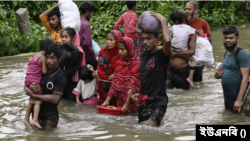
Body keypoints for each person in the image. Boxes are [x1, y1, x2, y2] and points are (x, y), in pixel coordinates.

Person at [132, 12, 171, 127]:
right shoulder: (143, 57)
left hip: (159, 101)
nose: (145, 42)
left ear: (157, 39)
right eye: (143, 39)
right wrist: (137, 94)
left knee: (150, 127)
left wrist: (163, 20)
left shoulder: (162, 55)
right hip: (143, 102)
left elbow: (168, 41)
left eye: (148, 39)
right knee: (144, 133)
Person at [24, 44, 67, 130]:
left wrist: (35, 95)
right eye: (47, 57)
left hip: (49, 117)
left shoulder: (60, 77)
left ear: (59, 59)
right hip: (35, 115)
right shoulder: (39, 70)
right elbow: (26, 86)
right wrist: (28, 89)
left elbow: (55, 99)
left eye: (52, 58)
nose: (48, 61)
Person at [214, 26, 250, 113]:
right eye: (226, 38)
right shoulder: (226, 53)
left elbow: (245, 78)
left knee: (241, 120)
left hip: (239, 97)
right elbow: (228, 72)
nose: (228, 40)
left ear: (238, 38)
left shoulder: (242, 54)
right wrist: (217, 75)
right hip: (227, 96)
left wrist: (239, 99)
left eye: (231, 38)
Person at [102, 37, 140, 113]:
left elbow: (132, 87)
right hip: (119, 100)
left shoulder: (136, 65)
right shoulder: (119, 63)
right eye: (119, 49)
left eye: (122, 49)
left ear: (129, 49)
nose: (119, 52)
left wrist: (127, 104)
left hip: (131, 101)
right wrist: (107, 101)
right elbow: (114, 84)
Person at [23, 39, 54, 129]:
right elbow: (44, 71)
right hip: (35, 81)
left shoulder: (33, 56)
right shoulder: (42, 57)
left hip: (28, 80)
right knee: (38, 101)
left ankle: (26, 118)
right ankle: (35, 119)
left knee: (31, 100)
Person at [166, 11, 197, 90]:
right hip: (170, 70)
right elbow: (169, 42)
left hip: (182, 71)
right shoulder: (183, 30)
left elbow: (192, 52)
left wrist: (175, 54)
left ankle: (190, 78)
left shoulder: (192, 35)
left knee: (184, 94)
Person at [92, 30, 123, 105]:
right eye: (107, 39)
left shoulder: (122, 54)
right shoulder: (102, 52)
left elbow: (125, 71)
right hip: (103, 88)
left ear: (118, 41)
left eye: (111, 40)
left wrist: (117, 76)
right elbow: (100, 68)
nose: (108, 42)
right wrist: (96, 75)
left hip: (117, 89)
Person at [185, 1, 212, 83]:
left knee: (197, 81)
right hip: (185, 55)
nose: (186, 11)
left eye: (189, 9)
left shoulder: (203, 23)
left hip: (198, 56)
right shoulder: (183, 22)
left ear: (195, 11)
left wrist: (202, 37)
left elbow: (209, 39)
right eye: (185, 9)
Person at [60, 27, 84, 101]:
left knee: (71, 100)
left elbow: (74, 68)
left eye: (66, 37)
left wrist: (60, 75)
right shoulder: (60, 50)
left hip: (73, 81)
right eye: (62, 37)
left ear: (73, 38)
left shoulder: (79, 51)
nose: (63, 39)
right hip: (62, 79)